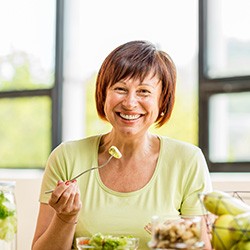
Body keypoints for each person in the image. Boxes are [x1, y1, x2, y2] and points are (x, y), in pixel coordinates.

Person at [32, 40, 213, 250]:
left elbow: (202, 248)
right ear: (103, 95)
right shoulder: (67, 157)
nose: (129, 102)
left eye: (144, 91)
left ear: (162, 100)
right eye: (120, 89)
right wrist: (65, 218)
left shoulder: (187, 160)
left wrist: (176, 238)